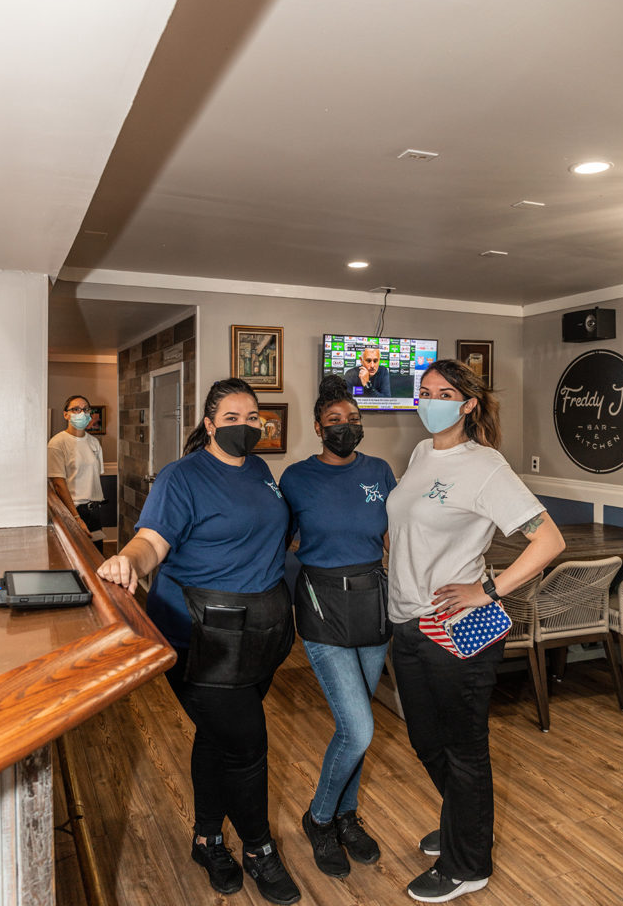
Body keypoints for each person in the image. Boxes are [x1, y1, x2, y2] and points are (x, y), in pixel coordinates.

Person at [97, 378, 300, 905]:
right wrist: (128, 562)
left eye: (251, 416)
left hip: (261, 632)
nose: (244, 425)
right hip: (203, 635)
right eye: (231, 417)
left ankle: (208, 838)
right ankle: (258, 849)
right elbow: (151, 541)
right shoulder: (180, 477)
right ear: (209, 425)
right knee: (248, 744)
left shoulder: (260, 470)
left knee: (219, 739)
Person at [386, 359, 565, 903]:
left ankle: (468, 865)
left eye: (444, 393)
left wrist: (487, 589)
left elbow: (549, 540)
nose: (430, 400)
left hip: (454, 627)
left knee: (463, 750)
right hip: (406, 622)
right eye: (424, 391)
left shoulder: (486, 466)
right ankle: (465, 822)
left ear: (467, 405)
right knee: (425, 740)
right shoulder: (421, 453)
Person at [280, 375, 396, 879]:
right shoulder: (296, 478)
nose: (344, 428)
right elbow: (279, 541)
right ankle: (320, 817)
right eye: (334, 422)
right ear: (318, 428)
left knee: (357, 730)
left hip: (374, 603)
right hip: (321, 604)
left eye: (352, 420)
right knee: (359, 727)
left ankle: (346, 816)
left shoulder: (381, 471)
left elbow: (394, 539)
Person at [48, 394, 105, 553]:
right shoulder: (57, 443)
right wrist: (76, 518)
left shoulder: (94, 442)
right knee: (76, 558)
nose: (82, 413)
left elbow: (95, 477)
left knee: (96, 557)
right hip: (72, 511)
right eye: (76, 409)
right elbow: (59, 484)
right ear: (66, 414)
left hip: (93, 511)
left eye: (85, 409)